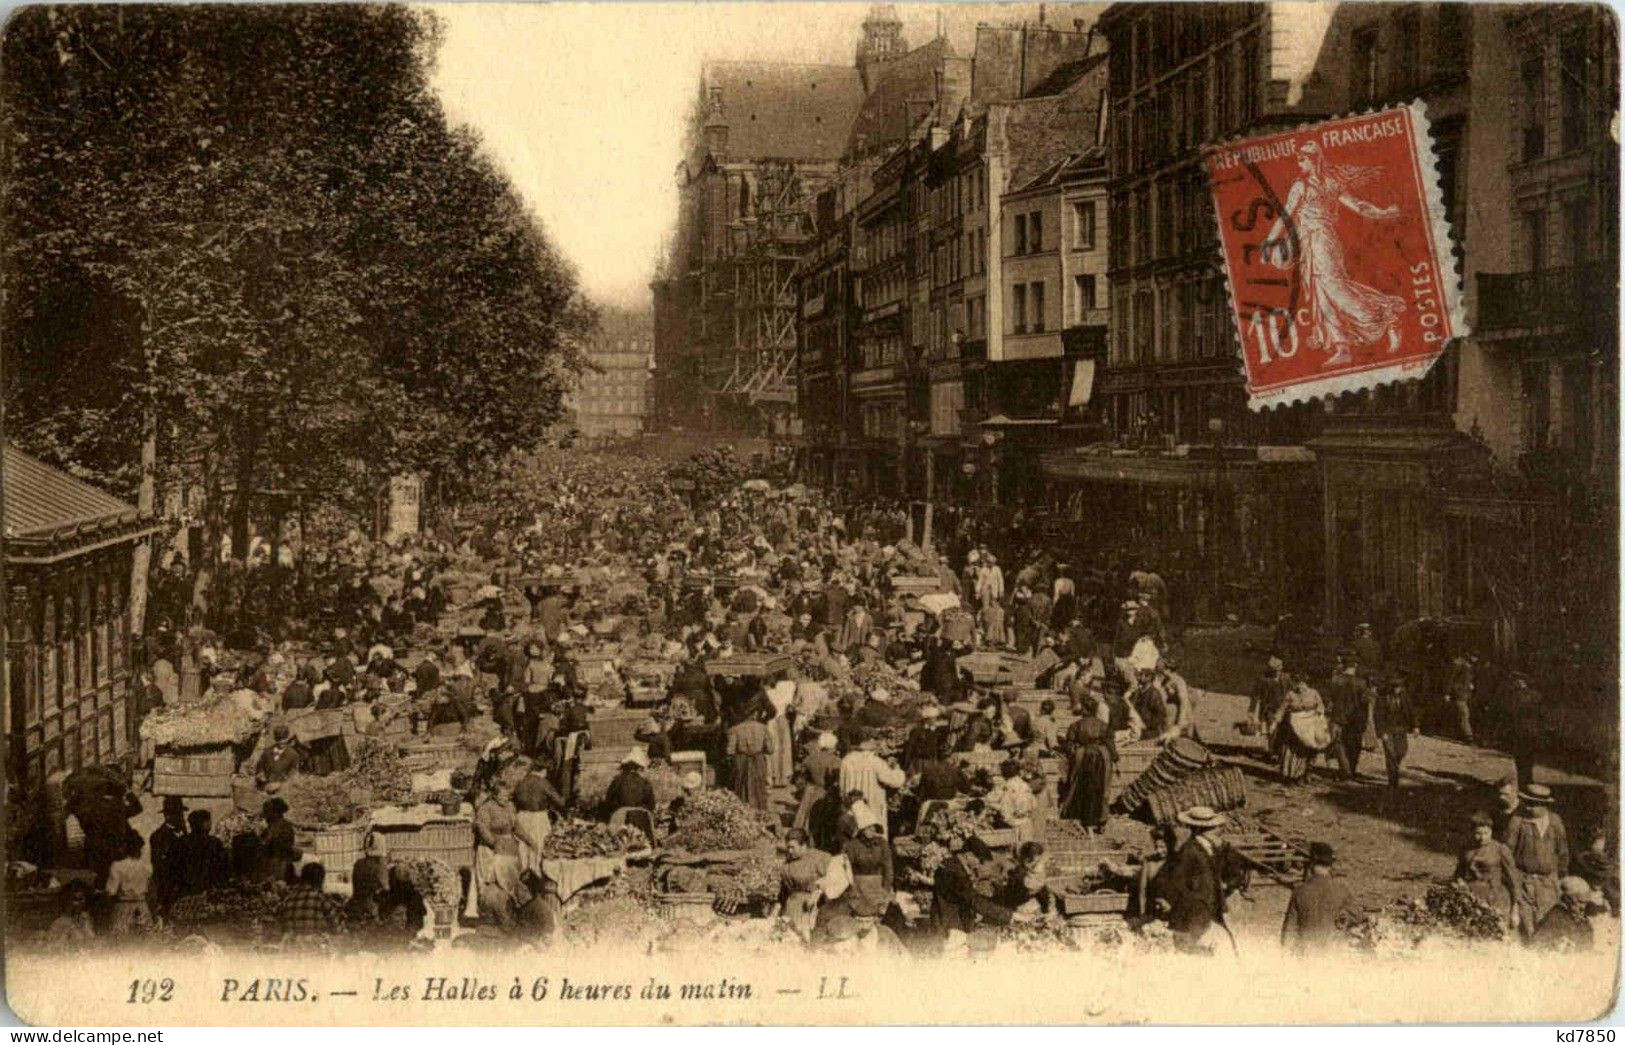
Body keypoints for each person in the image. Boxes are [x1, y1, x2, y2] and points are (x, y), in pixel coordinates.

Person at [1152, 806, 1234, 954]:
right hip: (1193, 912)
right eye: (1214, 828)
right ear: (1203, 830)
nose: (1218, 831)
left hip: (1208, 909)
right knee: (1195, 951)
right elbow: (1176, 879)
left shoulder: (1209, 848)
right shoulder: (1189, 851)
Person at [1504, 782, 1570, 939]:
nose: (1528, 807)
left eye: (1532, 804)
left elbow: (1563, 851)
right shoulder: (1518, 821)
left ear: (1544, 805)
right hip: (1523, 880)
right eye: (1526, 803)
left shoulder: (1555, 822)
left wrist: (1562, 875)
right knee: (1526, 923)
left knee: (1547, 921)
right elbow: (1507, 852)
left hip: (1548, 882)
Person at [1281, 842, 1360, 953]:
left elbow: (1288, 933)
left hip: (1305, 957)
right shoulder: (1342, 891)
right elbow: (1358, 919)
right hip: (1333, 958)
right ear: (1331, 865)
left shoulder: (1299, 892)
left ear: (1312, 863)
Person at [930, 837, 1013, 938]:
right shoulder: (954, 871)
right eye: (980, 860)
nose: (979, 865)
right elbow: (973, 900)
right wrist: (1010, 915)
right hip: (949, 925)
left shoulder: (953, 864)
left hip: (951, 919)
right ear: (969, 855)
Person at [1059, 694, 1116, 832]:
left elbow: (1069, 745)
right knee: (1102, 787)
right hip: (1102, 757)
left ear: (1084, 709)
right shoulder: (1104, 725)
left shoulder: (1076, 725)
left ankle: (1083, 817)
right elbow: (1111, 745)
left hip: (1083, 756)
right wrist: (1115, 759)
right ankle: (1101, 819)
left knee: (1081, 786)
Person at [1453, 811, 1521, 928]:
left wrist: (1515, 910)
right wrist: (1459, 881)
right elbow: (1458, 873)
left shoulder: (1500, 849)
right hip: (1471, 899)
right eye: (1478, 833)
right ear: (1471, 832)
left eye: (1486, 833)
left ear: (1491, 831)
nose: (1482, 837)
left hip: (1494, 898)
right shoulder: (1466, 849)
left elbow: (1514, 881)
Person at [473, 781, 524, 926]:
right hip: (489, 850)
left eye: (508, 796)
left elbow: (516, 827)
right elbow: (483, 830)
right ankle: (488, 916)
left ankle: (509, 913)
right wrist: (496, 844)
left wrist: (530, 841)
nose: (506, 799)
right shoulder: (485, 808)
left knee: (509, 880)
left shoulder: (510, 806)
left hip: (508, 847)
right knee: (489, 883)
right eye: (502, 796)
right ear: (494, 796)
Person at [837, 733, 905, 838]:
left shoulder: (846, 760)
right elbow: (895, 781)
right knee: (873, 835)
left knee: (852, 835)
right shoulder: (875, 762)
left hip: (851, 806)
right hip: (871, 804)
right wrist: (897, 769)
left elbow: (842, 786)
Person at [1272, 673, 1328, 785]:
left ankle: (1302, 775)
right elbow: (1282, 709)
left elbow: (1321, 707)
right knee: (1292, 752)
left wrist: (1319, 715)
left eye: (1303, 684)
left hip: (1309, 727)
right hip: (1293, 728)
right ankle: (1290, 776)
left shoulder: (1314, 693)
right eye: (1298, 683)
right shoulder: (1291, 694)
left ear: (1307, 683)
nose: (1300, 686)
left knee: (1307, 751)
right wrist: (1275, 722)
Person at [839, 805, 894, 918]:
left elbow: (888, 868)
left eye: (874, 828)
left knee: (877, 916)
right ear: (861, 829)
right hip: (858, 887)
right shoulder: (852, 845)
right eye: (868, 828)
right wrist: (852, 889)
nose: (872, 830)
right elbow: (846, 869)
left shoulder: (882, 844)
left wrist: (885, 890)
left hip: (877, 886)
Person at [1325, 650, 1372, 780]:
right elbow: (1366, 703)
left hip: (1338, 717)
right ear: (1355, 666)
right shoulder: (1361, 683)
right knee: (1354, 745)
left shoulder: (1335, 680)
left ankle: (1345, 770)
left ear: (1344, 665)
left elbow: (1330, 700)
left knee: (1339, 744)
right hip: (1355, 719)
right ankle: (1350, 769)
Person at [780, 828, 831, 938]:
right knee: (790, 938)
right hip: (792, 906)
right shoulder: (788, 863)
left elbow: (833, 878)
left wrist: (817, 893)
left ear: (803, 845)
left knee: (810, 938)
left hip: (814, 906)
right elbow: (784, 889)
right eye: (788, 847)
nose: (789, 851)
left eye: (792, 847)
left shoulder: (820, 858)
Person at [727, 703, 776, 813]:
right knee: (759, 788)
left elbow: (730, 751)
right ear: (754, 714)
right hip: (758, 761)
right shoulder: (763, 728)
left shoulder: (735, 729)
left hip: (741, 761)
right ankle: (760, 812)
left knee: (741, 787)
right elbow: (770, 749)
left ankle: (743, 812)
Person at [1371, 676, 1418, 789]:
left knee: (1401, 751)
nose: (1397, 689)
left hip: (1401, 729)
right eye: (1395, 687)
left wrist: (1415, 726)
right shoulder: (1383, 698)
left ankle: (1395, 767)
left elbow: (1412, 712)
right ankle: (1393, 781)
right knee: (1390, 754)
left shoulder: (1405, 698)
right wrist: (1382, 733)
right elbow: (1378, 717)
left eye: (1399, 687)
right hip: (1388, 730)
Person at [173, 809, 229, 900]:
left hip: (191, 890)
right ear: (202, 823)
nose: (210, 824)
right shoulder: (213, 842)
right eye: (208, 821)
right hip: (203, 891)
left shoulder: (182, 841)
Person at [278, 863, 342, 941]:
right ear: (320, 880)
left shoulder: (288, 899)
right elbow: (336, 929)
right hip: (316, 948)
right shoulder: (322, 899)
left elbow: (281, 927)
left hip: (292, 948)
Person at [104, 833, 152, 935]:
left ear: (124, 847)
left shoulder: (117, 866)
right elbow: (150, 888)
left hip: (123, 907)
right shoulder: (146, 866)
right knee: (143, 938)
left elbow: (111, 891)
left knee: (122, 940)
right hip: (142, 906)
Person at [1531, 877, 1595, 951]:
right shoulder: (1554, 918)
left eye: (1586, 903)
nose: (1583, 907)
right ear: (1567, 899)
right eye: (1580, 902)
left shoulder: (1581, 918)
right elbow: (1535, 946)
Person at [148, 795, 188, 915]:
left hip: (183, 885)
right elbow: (159, 864)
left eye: (181, 813)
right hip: (168, 886)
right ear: (168, 816)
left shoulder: (183, 832)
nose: (181, 816)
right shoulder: (159, 836)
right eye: (178, 813)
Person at [600, 748, 657, 821]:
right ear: (639, 767)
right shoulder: (645, 783)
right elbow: (651, 806)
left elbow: (609, 802)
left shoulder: (617, 781)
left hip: (620, 816)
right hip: (641, 817)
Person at [257, 797, 302, 883]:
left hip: (280, 865)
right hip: (272, 864)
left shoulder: (283, 827)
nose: (264, 814)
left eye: (267, 811)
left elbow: (282, 847)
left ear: (275, 813)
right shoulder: (270, 828)